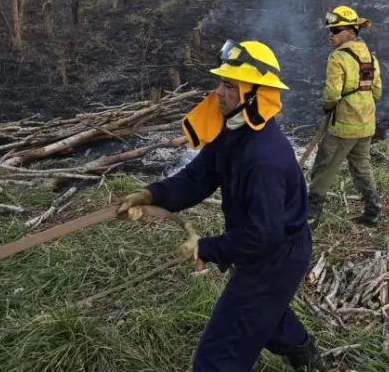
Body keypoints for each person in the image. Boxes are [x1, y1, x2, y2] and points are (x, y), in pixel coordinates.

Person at [116, 39, 327, 372]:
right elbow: (198, 178)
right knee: (266, 314)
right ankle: (307, 357)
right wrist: (151, 194)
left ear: (254, 95)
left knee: (217, 357)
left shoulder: (263, 158)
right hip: (263, 246)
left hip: (275, 255)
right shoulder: (232, 132)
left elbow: (263, 234)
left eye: (230, 85)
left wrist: (207, 247)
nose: (219, 92)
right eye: (220, 82)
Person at [307, 5, 382, 230]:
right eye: (330, 30)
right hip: (366, 125)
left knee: (324, 167)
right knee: (361, 166)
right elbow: (377, 92)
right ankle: (373, 209)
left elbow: (332, 93)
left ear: (351, 32)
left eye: (336, 31)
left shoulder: (338, 57)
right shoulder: (370, 56)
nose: (331, 35)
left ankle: (310, 217)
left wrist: (328, 106)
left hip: (343, 128)